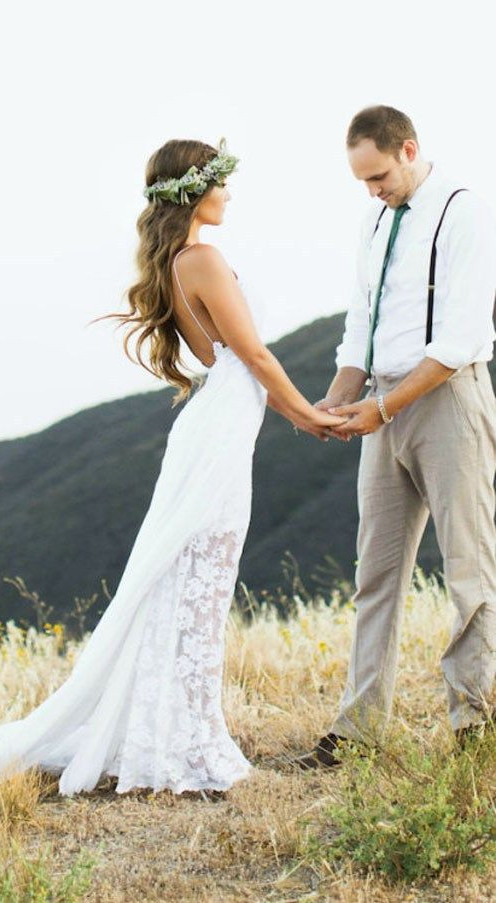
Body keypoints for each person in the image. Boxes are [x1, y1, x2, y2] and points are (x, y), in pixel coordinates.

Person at [0, 138, 344, 798]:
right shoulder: (204, 258)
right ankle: (181, 737)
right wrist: (308, 415)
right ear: (195, 189)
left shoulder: (179, 261)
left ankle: (182, 726)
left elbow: (245, 364)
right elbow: (256, 356)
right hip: (218, 430)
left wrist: (294, 411)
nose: (229, 193)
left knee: (194, 581)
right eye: (220, 181)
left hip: (218, 423)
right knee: (199, 579)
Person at [299, 106, 496, 770]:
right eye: (362, 180)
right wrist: (340, 393)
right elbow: (363, 319)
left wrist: (382, 408)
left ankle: (475, 723)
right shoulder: (375, 218)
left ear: (409, 150)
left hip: (447, 400)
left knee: (469, 567)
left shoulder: (463, 212)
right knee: (376, 572)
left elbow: (460, 336)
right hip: (383, 401)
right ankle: (357, 731)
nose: (372, 190)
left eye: (379, 175)